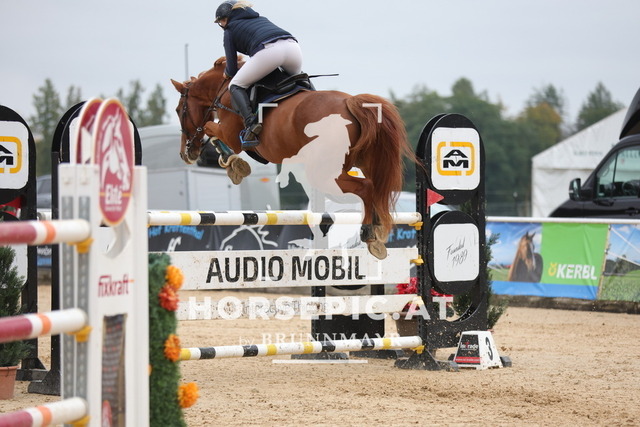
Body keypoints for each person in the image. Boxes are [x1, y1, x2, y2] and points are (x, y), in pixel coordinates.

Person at [215, 1, 303, 148]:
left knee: (235, 85)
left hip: (270, 51)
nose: (222, 25)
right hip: (293, 48)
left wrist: (227, 73)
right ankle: (313, 93)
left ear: (225, 19)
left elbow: (232, 67)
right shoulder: (261, 19)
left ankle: (251, 124)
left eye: (221, 21)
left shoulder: (229, 29)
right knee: (299, 79)